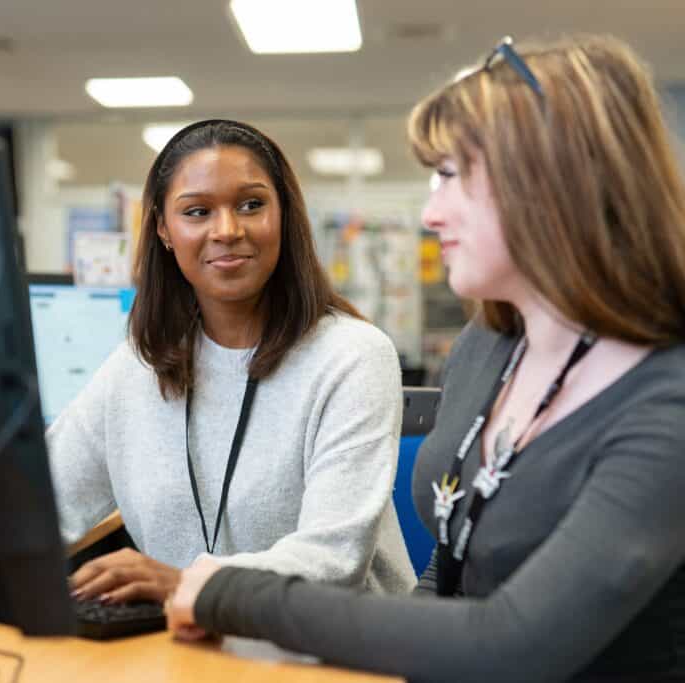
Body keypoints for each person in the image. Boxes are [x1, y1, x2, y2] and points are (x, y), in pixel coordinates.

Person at [166, 36, 685, 682]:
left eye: (450, 176)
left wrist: (232, 592)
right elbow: (453, 560)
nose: (430, 213)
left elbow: (509, 640)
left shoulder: (666, 401)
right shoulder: (489, 346)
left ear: (551, 182)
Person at [48, 119, 414, 606]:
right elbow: (42, 504)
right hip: (192, 647)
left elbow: (334, 560)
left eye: (251, 205)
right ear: (163, 229)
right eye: (197, 212)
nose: (227, 230)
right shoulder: (137, 367)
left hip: (338, 651)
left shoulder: (352, 357)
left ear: (284, 214)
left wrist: (184, 584)